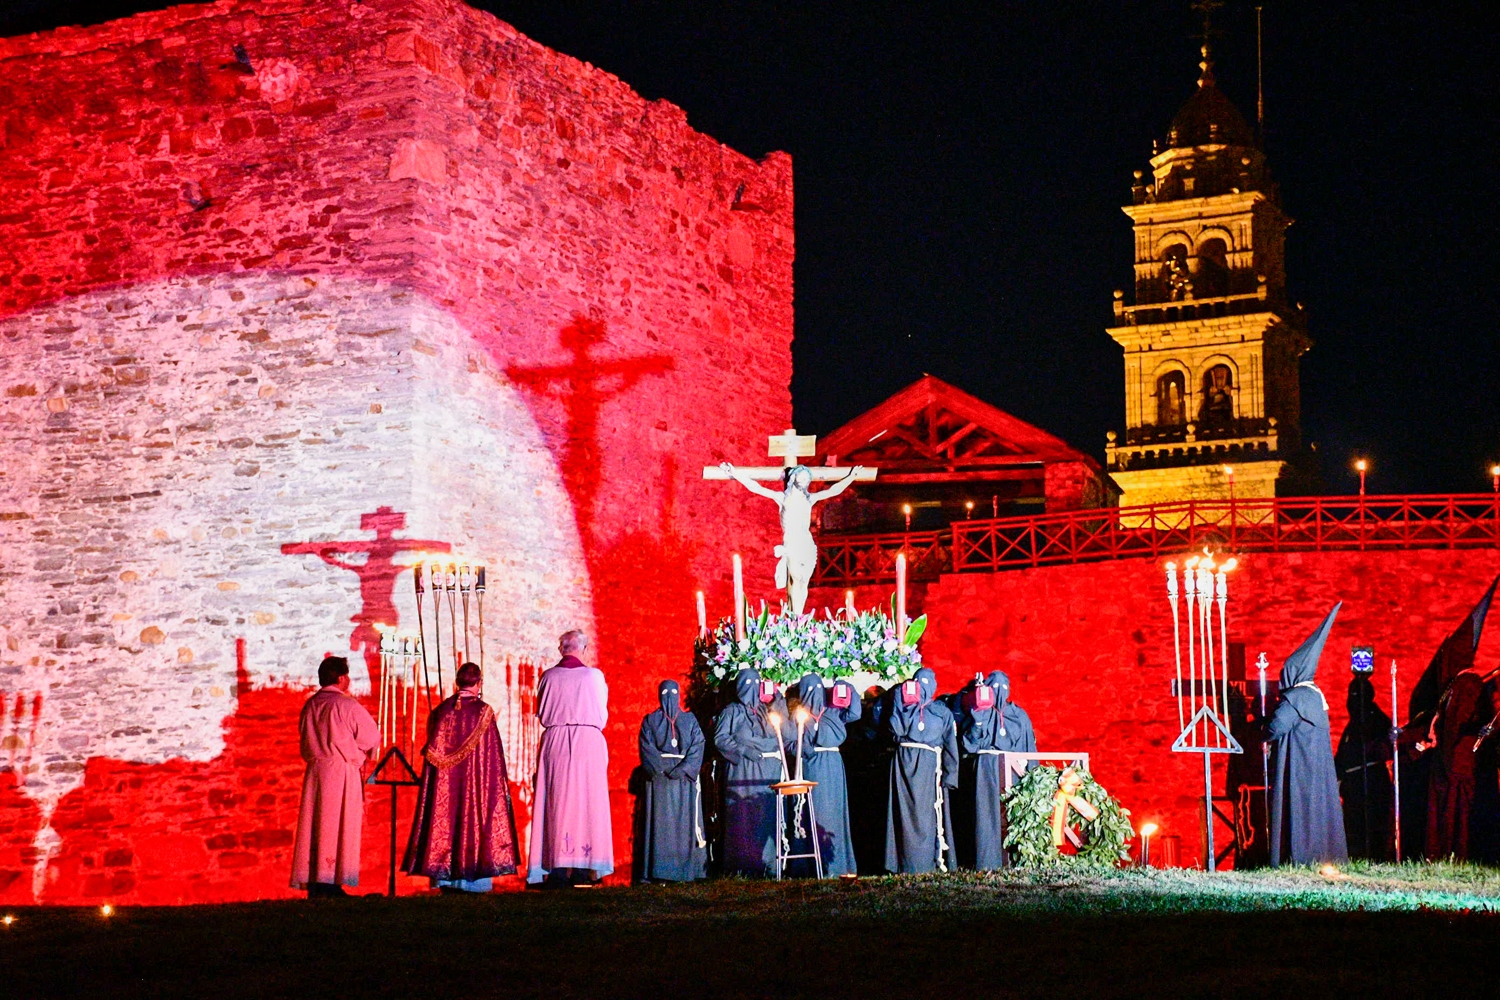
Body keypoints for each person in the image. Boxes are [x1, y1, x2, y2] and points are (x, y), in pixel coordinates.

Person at [403, 662, 519, 893]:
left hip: (445, 785)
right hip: (475, 783)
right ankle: (472, 880)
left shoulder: (442, 711)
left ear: (458, 682)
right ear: (478, 683)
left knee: (446, 817)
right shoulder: (483, 711)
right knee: (472, 819)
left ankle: (444, 878)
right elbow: (493, 754)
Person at [528, 630, 614, 887]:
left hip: (556, 743)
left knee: (557, 802)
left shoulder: (549, 677)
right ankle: (582, 869)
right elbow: (601, 712)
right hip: (588, 741)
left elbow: (542, 710)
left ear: (561, 650)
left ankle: (557, 867)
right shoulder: (593, 677)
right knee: (587, 802)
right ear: (583, 649)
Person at [1265, 604, 1348, 867]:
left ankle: (1300, 856)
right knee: (1317, 809)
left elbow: (1277, 727)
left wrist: (1260, 732)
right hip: (1317, 766)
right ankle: (1321, 856)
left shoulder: (1298, 696)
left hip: (1300, 766)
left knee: (1300, 809)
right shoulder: (1315, 694)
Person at [291, 655, 380, 898]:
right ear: (341, 678)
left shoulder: (310, 705)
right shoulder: (346, 705)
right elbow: (370, 736)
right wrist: (357, 751)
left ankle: (317, 880)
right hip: (340, 770)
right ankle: (331, 881)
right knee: (339, 824)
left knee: (316, 824)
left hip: (316, 772)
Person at [956, 670, 1036, 870]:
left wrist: (1033, 775)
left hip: (1014, 772)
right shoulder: (979, 712)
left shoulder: (1018, 714)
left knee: (1012, 815)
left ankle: (1016, 860)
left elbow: (1029, 746)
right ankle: (988, 862)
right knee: (986, 816)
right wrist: (978, 720)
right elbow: (969, 745)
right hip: (987, 772)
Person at [884, 667, 959, 874]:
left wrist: (950, 775)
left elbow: (950, 744)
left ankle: (928, 862)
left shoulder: (942, 711)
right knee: (904, 815)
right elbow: (896, 730)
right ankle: (906, 863)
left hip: (929, 767)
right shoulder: (904, 707)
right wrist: (902, 704)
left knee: (928, 815)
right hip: (904, 766)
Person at [714, 667, 787, 876]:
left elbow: (779, 736)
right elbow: (720, 739)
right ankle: (741, 867)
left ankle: (767, 866)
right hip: (741, 772)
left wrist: (777, 698)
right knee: (742, 816)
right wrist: (744, 749)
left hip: (766, 773)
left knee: (763, 815)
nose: (751, 690)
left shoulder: (766, 710)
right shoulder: (731, 711)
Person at [634, 679, 707, 882]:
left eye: (674, 692)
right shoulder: (650, 720)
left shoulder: (689, 720)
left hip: (683, 781)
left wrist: (683, 769)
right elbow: (646, 747)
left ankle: (684, 872)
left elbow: (698, 744)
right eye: (666, 693)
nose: (670, 697)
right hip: (660, 783)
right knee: (661, 826)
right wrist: (663, 769)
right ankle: (660, 871)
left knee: (684, 826)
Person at [792, 673, 861, 877]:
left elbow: (855, 712)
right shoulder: (799, 713)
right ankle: (813, 865)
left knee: (834, 813)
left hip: (831, 766)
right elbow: (792, 740)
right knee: (814, 812)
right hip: (813, 765)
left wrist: (844, 686)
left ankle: (836, 864)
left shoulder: (832, 710)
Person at [1334, 675, 1393, 861]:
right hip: (1355, 784)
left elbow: (1379, 749)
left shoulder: (1376, 720)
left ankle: (1374, 861)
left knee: (1371, 830)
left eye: (1355, 695)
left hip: (1370, 783)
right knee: (1355, 830)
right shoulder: (1355, 722)